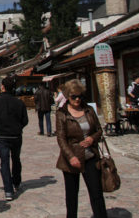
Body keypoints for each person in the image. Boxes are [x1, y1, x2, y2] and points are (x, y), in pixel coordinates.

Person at [55, 79, 106, 218]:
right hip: (72, 158)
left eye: (80, 96)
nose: (77, 99)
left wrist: (92, 138)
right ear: (67, 96)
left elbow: (99, 130)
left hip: (90, 156)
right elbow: (61, 138)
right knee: (72, 196)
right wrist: (71, 156)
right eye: (74, 97)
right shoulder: (62, 113)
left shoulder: (89, 110)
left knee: (96, 193)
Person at [0, 76, 28, 201]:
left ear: (2, 87)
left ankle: (8, 190)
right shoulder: (19, 102)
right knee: (16, 159)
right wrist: (18, 127)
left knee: (5, 162)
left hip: (2, 136)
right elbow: (25, 120)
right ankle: (16, 182)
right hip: (16, 135)